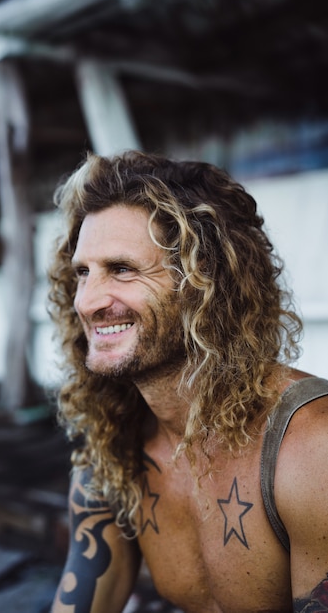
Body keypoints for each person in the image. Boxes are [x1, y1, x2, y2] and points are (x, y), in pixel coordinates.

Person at [47, 150, 328, 613]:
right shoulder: (113, 454)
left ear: (204, 284)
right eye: (83, 273)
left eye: (121, 269)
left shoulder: (310, 448)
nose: (88, 301)